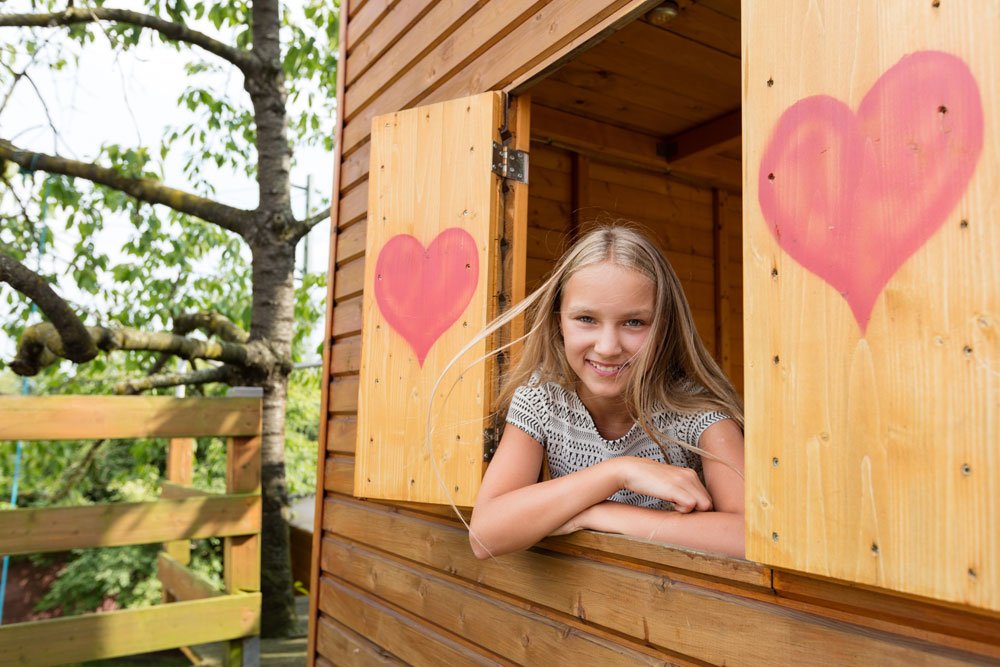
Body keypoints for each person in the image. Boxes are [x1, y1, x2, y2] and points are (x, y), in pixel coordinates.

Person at [465, 225, 745, 559]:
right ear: (559, 322)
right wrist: (620, 473)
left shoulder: (697, 412)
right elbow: (484, 535)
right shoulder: (542, 400)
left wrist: (597, 513)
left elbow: (748, 536)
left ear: (664, 326)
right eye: (586, 318)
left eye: (634, 323)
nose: (608, 347)